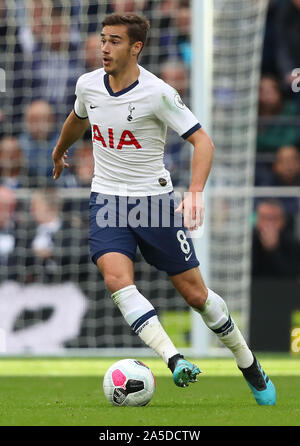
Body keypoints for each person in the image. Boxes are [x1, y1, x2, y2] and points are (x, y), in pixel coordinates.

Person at [52, 13, 276, 405]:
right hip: (106, 199)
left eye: (115, 41)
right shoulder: (88, 84)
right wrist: (59, 150)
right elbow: (78, 117)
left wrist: (195, 192)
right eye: (103, 39)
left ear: (136, 47)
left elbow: (203, 142)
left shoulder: (158, 93)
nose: (105, 47)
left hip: (153, 203)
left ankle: (248, 363)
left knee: (196, 295)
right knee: (116, 280)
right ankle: (174, 360)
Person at [252, 199, 300, 278]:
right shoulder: (248, 242)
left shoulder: (293, 243)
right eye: (264, 218)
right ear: (257, 220)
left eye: (274, 218)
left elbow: (291, 276)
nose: (269, 223)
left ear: (283, 221)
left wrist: (273, 250)